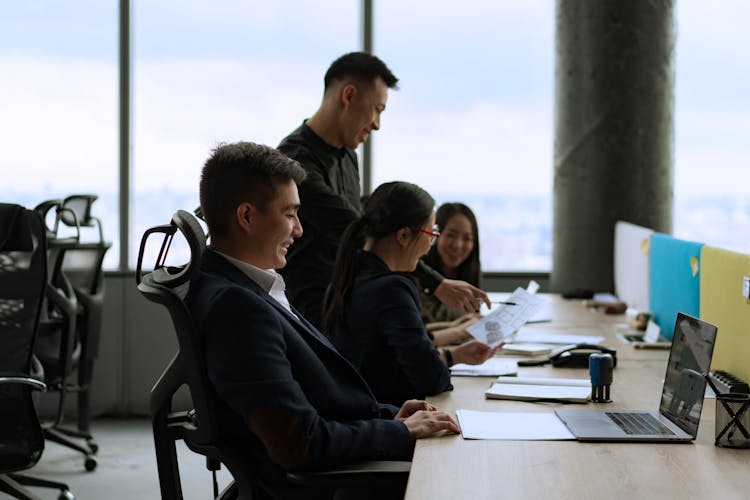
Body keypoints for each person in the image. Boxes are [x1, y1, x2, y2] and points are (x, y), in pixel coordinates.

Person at [187, 142, 460, 500]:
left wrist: (390, 417)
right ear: (247, 217)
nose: (299, 230)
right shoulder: (238, 308)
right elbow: (298, 442)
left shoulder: (248, 287)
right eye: (290, 214)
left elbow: (316, 400)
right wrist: (400, 432)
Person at [278, 51, 489, 329]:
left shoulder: (347, 155)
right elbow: (356, 229)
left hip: (344, 303)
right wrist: (436, 283)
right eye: (377, 109)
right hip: (312, 316)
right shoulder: (296, 160)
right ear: (349, 95)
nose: (377, 124)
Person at [323, 181, 498, 407]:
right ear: (404, 236)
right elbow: (432, 379)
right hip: (387, 420)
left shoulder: (346, 278)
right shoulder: (392, 289)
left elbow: (394, 364)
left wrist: (454, 356)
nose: (429, 246)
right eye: (431, 233)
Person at [420, 203, 483, 347]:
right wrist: (459, 329)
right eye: (451, 235)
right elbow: (414, 334)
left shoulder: (470, 274)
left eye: (467, 238)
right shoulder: (416, 275)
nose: (458, 245)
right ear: (435, 234)